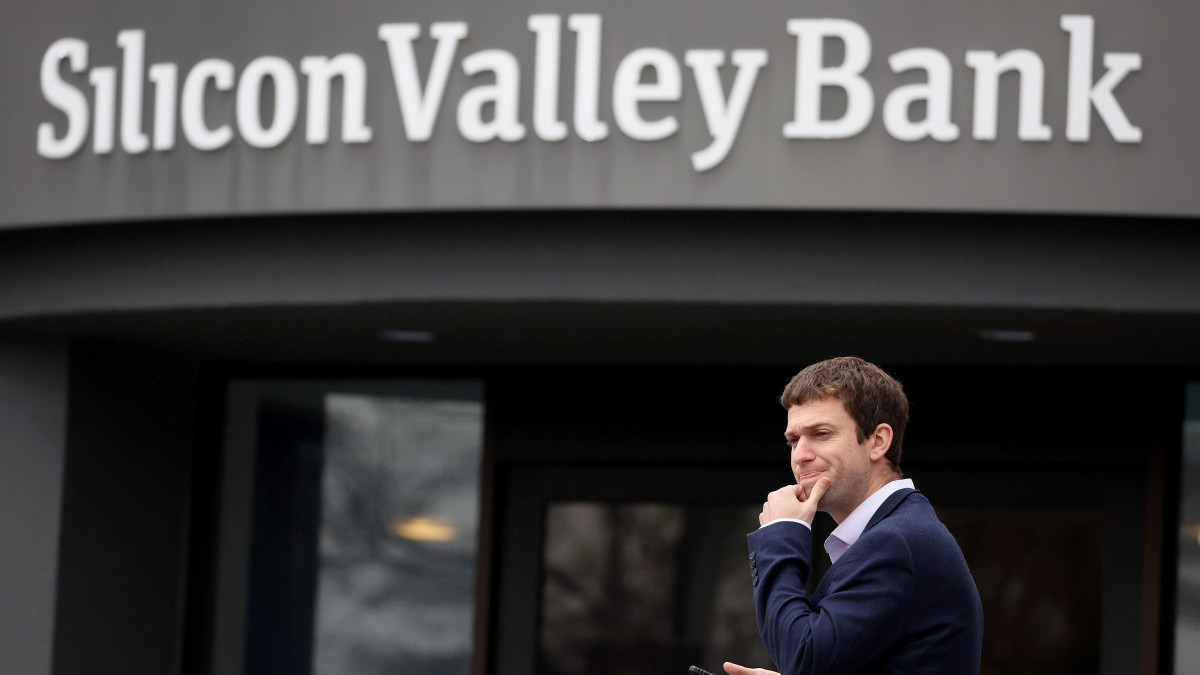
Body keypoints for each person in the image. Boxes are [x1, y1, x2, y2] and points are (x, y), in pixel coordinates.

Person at [724, 356, 983, 675]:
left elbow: (804, 660)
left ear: (878, 441)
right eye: (794, 440)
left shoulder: (894, 542)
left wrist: (780, 533)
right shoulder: (897, 533)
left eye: (820, 433)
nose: (801, 455)